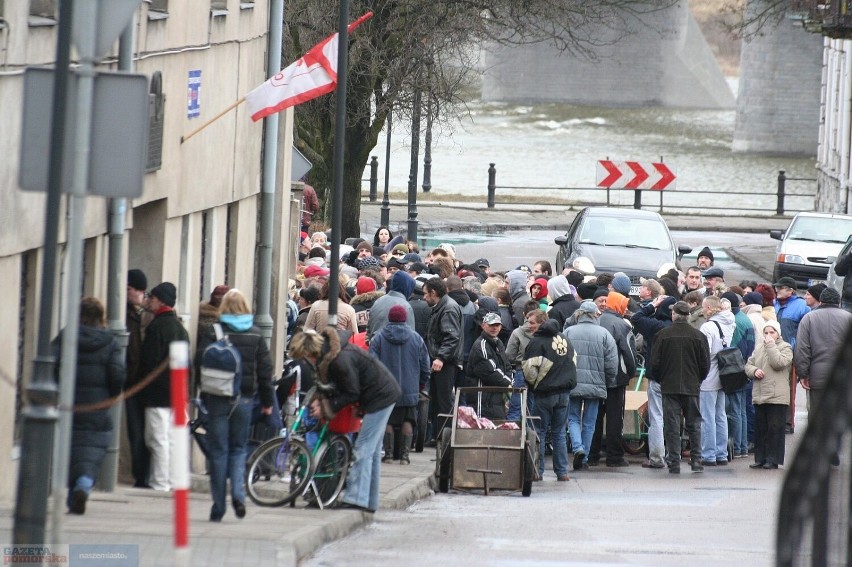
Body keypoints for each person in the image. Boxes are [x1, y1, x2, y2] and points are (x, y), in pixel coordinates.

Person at [289, 327, 401, 513]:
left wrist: (327, 407)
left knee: (363, 448)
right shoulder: (331, 355)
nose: (305, 361)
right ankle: (369, 502)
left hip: (379, 398)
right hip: (383, 393)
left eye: (304, 356)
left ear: (310, 352)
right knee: (371, 453)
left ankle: (356, 499)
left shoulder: (340, 359)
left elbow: (351, 391)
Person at [195, 289, 274, 521]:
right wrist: (268, 402)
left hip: (217, 399)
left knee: (218, 452)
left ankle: (218, 507)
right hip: (244, 400)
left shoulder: (214, 331)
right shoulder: (256, 334)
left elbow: (200, 361)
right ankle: (238, 496)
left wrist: (201, 392)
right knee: (239, 449)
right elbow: (265, 373)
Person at [54, 297, 125, 513]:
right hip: (97, 407)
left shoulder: (65, 337)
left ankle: (72, 495)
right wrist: (111, 396)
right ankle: (84, 486)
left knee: (70, 450)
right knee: (93, 450)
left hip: (69, 405)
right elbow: (117, 375)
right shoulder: (110, 343)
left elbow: (51, 365)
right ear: (100, 318)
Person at [138, 282, 189, 491]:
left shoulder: (157, 327)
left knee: (157, 439)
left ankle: (160, 482)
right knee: (172, 439)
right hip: (177, 392)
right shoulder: (180, 329)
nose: (148, 301)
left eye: (151, 297)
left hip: (158, 393)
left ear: (160, 301)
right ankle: (172, 480)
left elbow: (149, 362)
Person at [650, 301, 710, 474]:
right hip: (691, 385)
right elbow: (705, 364)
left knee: (672, 425)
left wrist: (662, 378)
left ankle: (674, 462)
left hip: (669, 385)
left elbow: (654, 364)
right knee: (694, 424)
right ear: (689, 315)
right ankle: (696, 460)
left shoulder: (662, 335)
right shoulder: (698, 336)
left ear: (674, 315)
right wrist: (697, 379)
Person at [794, 287, 852, 464]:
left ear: (821, 301)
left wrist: (803, 373)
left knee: (817, 414)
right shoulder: (848, 318)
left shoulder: (809, 318)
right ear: (839, 301)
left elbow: (802, 348)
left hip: (817, 375)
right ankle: (833, 449)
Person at [369, 305, 430, 465]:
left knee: (387, 421)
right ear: (404, 319)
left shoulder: (378, 338)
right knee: (408, 420)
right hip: (409, 389)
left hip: (386, 389)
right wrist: (421, 384)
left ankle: (388, 455)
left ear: (389, 318)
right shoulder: (416, 338)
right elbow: (425, 365)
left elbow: (372, 364)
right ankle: (404, 457)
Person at [563, 300, 618, 470]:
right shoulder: (604, 334)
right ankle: (584, 456)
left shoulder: (568, 332)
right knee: (590, 422)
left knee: (572, 418)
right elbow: (611, 363)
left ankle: (577, 447)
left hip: (572, 382)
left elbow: (561, 357)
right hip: (596, 383)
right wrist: (608, 380)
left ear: (579, 314)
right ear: (595, 314)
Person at [522, 318, 577, 481]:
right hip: (564, 393)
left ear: (541, 324)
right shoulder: (565, 339)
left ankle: (537, 471)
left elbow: (529, 369)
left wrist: (534, 386)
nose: (530, 326)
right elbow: (574, 362)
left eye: (532, 323)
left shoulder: (537, 342)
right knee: (559, 432)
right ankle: (562, 472)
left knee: (539, 432)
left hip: (545, 393)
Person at [630, 294, 676, 469]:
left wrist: (651, 305)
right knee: (674, 417)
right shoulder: (682, 328)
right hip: (677, 379)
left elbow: (636, 318)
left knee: (657, 417)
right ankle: (674, 455)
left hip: (657, 378)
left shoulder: (655, 326)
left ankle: (657, 457)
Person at [592, 291, 637, 467]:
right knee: (614, 418)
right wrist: (630, 373)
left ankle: (592, 454)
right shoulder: (622, 325)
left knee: (593, 417)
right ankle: (614, 456)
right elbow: (629, 354)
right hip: (616, 378)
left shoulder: (596, 320)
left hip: (595, 376)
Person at [745, 320, 793, 469]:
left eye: (772, 332)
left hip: (777, 395)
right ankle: (761, 458)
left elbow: (779, 362)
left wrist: (771, 345)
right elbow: (748, 364)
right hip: (760, 394)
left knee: (775, 429)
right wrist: (754, 371)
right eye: (766, 332)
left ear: (778, 333)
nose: (768, 335)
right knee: (761, 428)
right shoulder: (759, 347)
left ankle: (773, 459)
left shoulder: (785, 347)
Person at [423, 278, 463, 440]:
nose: (424, 297)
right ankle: (438, 436)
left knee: (444, 401)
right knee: (438, 400)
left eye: (426, 294)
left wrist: (440, 357)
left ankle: (443, 438)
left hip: (445, 363)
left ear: (434, 293)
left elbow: (452, 336)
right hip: (442, 361)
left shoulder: (448, 309)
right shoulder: (443, 306)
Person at [698, 295, 735, 466]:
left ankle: (708, 454)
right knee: (720, 415)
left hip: (709, 376)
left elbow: (704, 354)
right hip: (724, 375)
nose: (702, 310)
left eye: (704, 307)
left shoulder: (707, 327)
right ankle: (721, 453)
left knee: (707, 416)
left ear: (710, 308)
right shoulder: (729, 321)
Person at [125, 268, 152, 488]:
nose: (141, 295)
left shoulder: (137, 313)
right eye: (137, 291)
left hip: (138, 384)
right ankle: (140, 476)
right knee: (136, 432)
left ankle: (142, 475)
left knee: (141, 432)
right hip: (131, 383)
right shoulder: (126, 315)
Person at [773, 276, 809, 434]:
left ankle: (788, 423)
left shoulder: (802, 306)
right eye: (777, 287)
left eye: (781, 288)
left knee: (788, 390)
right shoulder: (773, 304)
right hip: (772, 352)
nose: (777, 290)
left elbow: (806, 332)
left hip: (791, 355)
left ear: (790, 290)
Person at [467, 312, 513, 420]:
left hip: (495, 396)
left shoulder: (498, 343)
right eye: (491, 325)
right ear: (483, 325)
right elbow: (489, 372)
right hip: (482, 397)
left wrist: (508, 379)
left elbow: (507, 365)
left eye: (497, 325)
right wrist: (508, 382)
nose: (494, 328)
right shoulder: (480, 345)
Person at [505, 309, 546, 421]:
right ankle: (530, 435)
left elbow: (509, 355)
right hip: (540, 374)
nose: (529, 325)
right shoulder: (546, 336)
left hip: (521, 370)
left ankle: (512, 434)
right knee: (532, 409)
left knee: (515, 407)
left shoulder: (517, 332)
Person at [834, 247, 852, 313]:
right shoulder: (849, 257)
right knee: (845, 321)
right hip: (849, 298)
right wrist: (850, 255)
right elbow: (839, 271)